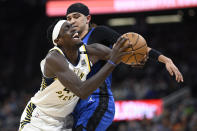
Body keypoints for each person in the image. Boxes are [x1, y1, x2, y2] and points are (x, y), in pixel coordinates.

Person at [65, 2, 184, 131]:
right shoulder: (66, 44)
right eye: (69, 18)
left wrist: (165, 60)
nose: (72, 21)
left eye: (76, 17)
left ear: (88, 18)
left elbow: (134, 46)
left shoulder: (99, 33)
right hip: (76, 104)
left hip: (98, 100)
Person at [18, 19, 131, 131]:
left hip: (62, 122)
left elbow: (120, 56)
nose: (73, 29)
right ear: (58, 40)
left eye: (72, 26)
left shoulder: (91, 51)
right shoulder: (54, 58)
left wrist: (137, 58)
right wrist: (112, 63)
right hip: (38, 118)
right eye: (67, 28)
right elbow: (82, 91)